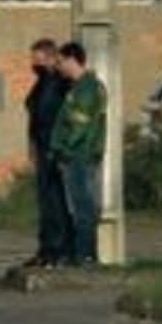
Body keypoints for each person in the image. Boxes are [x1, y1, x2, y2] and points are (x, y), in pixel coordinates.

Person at [49, 39, 107, 267]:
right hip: (78, 154)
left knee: (83, 207)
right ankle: (80, 254)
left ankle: (86, 255)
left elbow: (79, 126)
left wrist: (63, 149)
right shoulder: (80, 87)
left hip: (79, 155)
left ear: (73, 59)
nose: (59, 66)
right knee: (78, 207)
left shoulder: (87, 88)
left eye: (61, 61)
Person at [22, 38, 71, 268]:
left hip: (56, 148)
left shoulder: (61, 83)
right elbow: (34, 115)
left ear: (52, 57)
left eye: (38, 60)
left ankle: (59, 249)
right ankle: (46, 250)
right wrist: (32, 146)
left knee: (57, 202)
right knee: (45, 202)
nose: (35, 65)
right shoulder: (42, 83)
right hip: (42, 148)